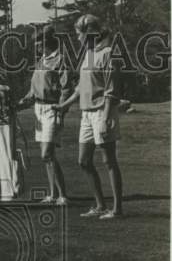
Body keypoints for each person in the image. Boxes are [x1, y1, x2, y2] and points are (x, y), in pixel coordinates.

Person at [52, 14, 124, 219]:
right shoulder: (89, 54)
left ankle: (117, 210)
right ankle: (100, 206)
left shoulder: (108, 53)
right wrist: (63, 105)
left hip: (102, 111)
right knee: (84, 161)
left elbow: (111, 90)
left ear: (89, 32)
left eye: (79, 33)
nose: (77, 37)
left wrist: (107, 118)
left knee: (109, 160)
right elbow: (81, 87)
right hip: (87, 114)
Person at [18, 25, 72, 204]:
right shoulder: (40, 62)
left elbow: (66, 88)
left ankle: (63, 195)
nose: (37, 47)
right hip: (38, 110)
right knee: (48, 157)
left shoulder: (60, 59)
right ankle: (53, 195)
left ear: (46, 42)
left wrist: (61, 110)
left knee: (46, 153)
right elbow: (33, 91)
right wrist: (20, 104)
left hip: (52, 109)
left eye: (39, 43)